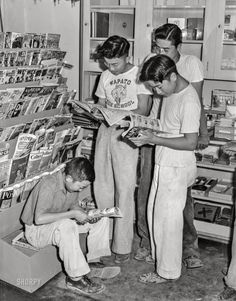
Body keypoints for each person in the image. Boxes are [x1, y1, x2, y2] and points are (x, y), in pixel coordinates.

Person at [134, 23, 209, 269]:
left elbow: (194, 110)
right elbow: (154, 105)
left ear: (178, 46)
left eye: (165, 48)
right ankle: (153, 248)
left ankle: (183, 254)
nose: (160, 52)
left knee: (174, 211)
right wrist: (145, 129)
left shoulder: (187, 78)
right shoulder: (165, 86)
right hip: (162, 140)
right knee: (154, 201)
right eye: (157, 47)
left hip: (174, 148)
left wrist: (201, 133)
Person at [130, 54, 201, 283]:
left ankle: (167, 272)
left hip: (177, 166)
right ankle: (160, 259)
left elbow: (191, 142)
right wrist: (147, 130)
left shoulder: (189, 100)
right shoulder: (170, 91)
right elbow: (169, 127)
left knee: (169, 222)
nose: (157, 92)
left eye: (158, 86)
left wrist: (155, 139)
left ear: (172, 76)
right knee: (155, 215)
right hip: (165, 162)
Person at [93, 35, 152, 264]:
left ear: (126, 56)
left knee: (125, 190)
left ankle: (122, 245)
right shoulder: (105, 75)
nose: (110, 68)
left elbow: (144, 109)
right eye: (107, 63)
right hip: (105, 132)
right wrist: (94, 110)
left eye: (114, 63)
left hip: (127, 134)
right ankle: (101, 241)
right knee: (102, 187)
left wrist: (119, 115)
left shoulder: (139, 75)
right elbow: (100, 104)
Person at [21, 157, 118, 295]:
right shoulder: (48, 185)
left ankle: (93, 262)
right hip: (36, 232)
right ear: (68, 178)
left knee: (101, 219)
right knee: (66, 225)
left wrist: (86, 214)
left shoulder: (71, 183)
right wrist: (72, 213)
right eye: (81, 186)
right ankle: (75, 278)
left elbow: (72, 204)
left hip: (56, 223)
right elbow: (39, 219)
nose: (82, 189)